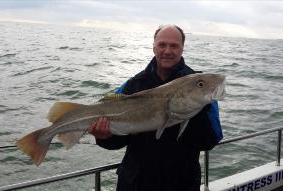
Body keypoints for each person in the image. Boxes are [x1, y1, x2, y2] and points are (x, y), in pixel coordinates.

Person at [88, 25, 222, 191]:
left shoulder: (200, 86)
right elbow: (118, 141)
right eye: (162, 45)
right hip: (135, 182)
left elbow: (211, 140)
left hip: (181, 183)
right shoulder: (133, 85)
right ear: (153, 47)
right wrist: (104, 136)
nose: (167, 51)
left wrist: (197, 111)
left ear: (182, 49)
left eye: (174, 46)